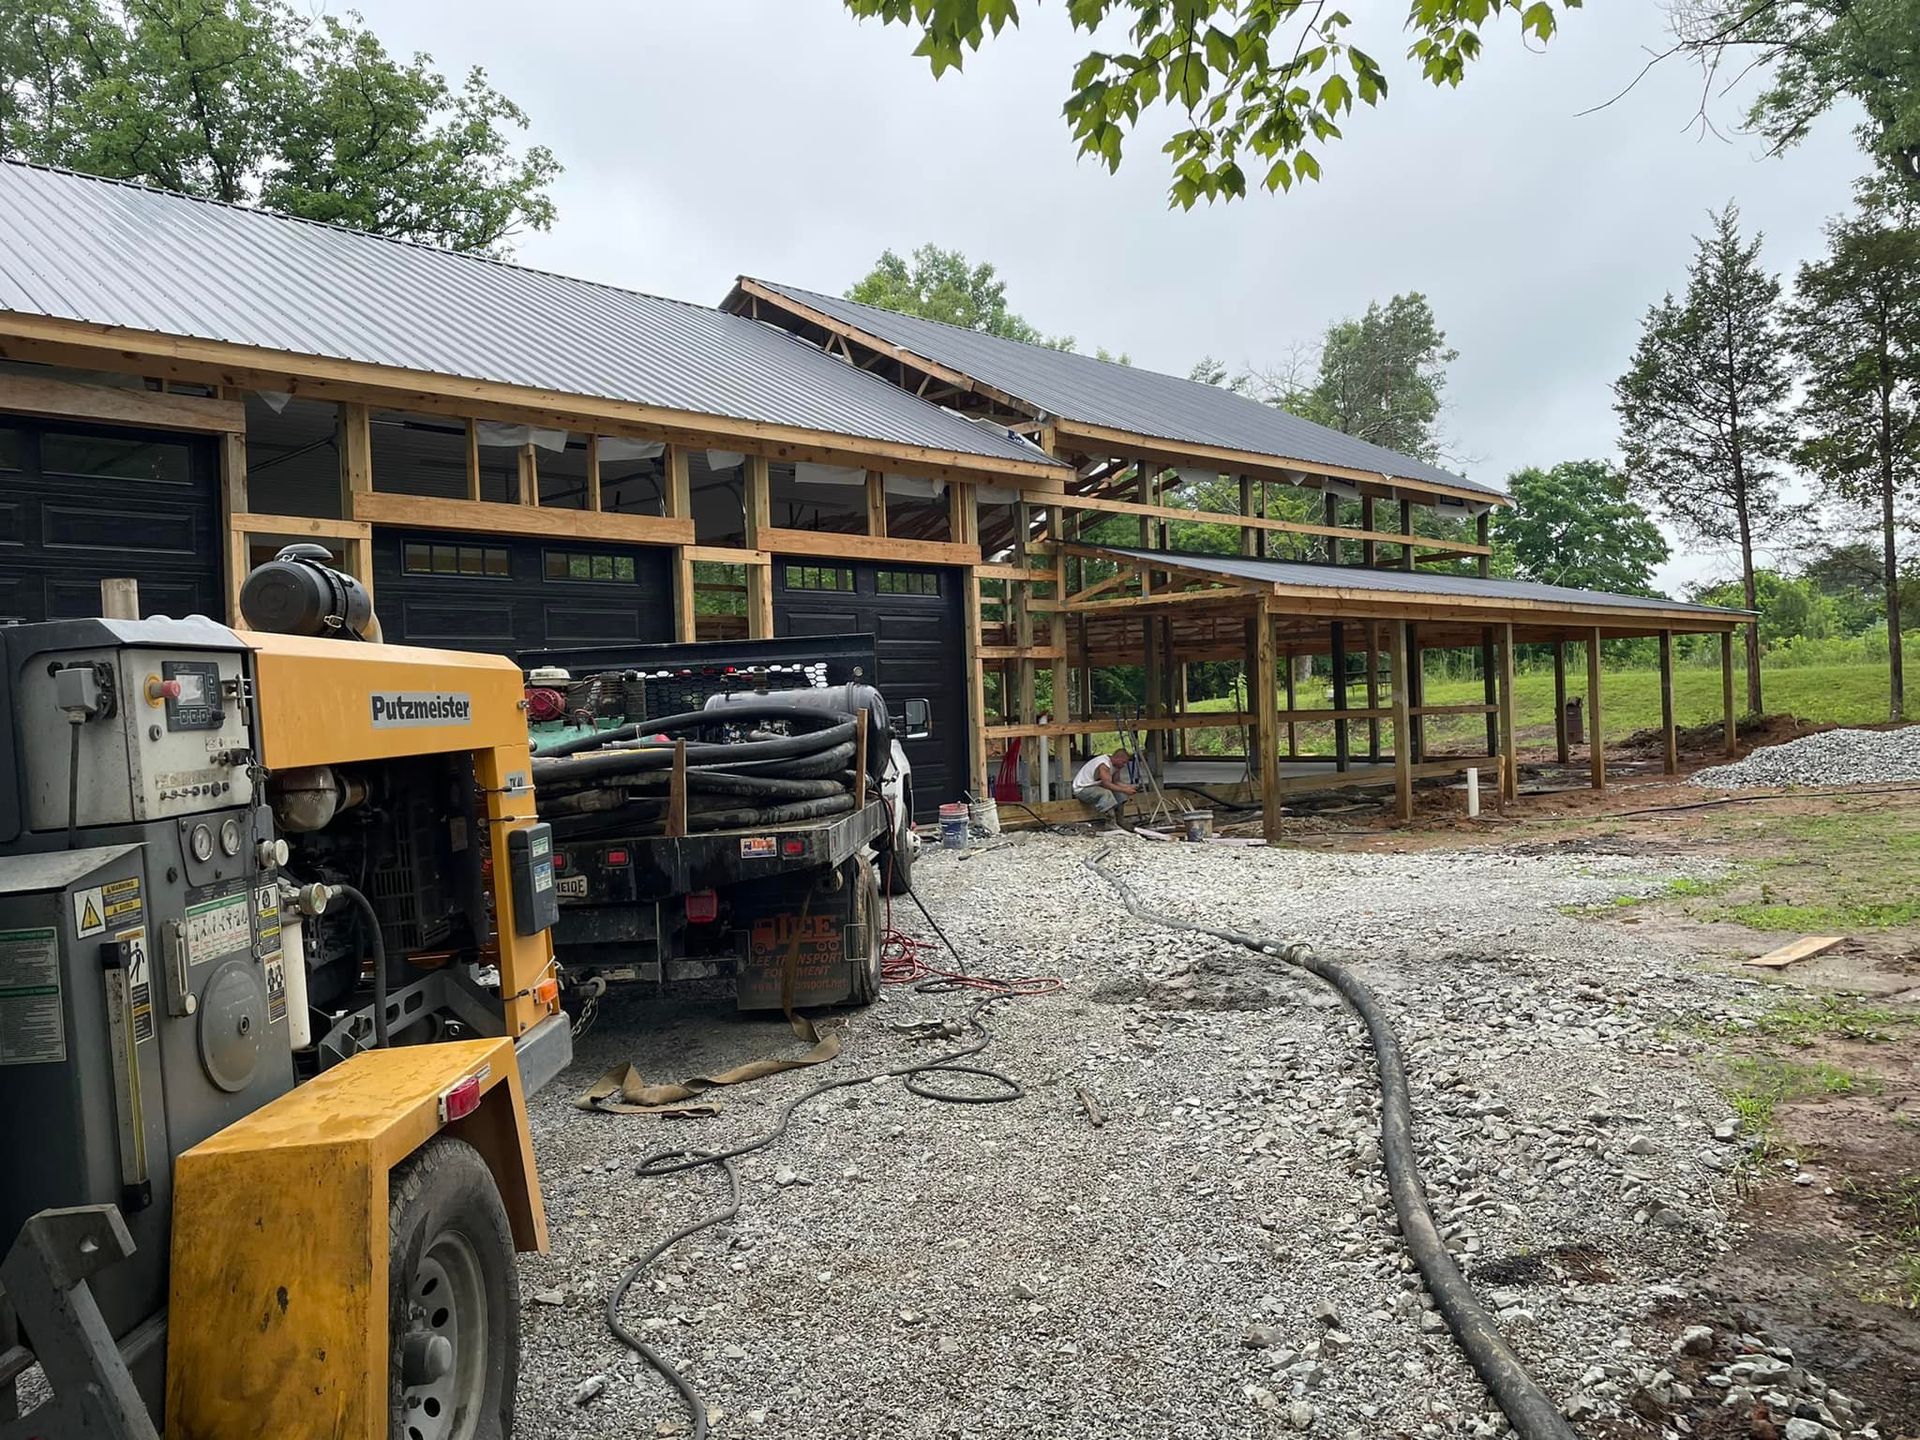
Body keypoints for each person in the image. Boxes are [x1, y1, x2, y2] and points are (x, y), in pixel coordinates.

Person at [1072, 745, 1137, 826]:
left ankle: (1120, 820)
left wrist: (1128, 787)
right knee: (1106, 793)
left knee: (1120, 794)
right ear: (1117, 758)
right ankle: (1110, 823)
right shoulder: (1104, 764)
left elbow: (1116, 781)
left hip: (1096, 786)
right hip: (1083, 789)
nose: (1124, 765)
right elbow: (1106, 784)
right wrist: (1125, 789)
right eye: (1123, 762)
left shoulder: (1116, 766)